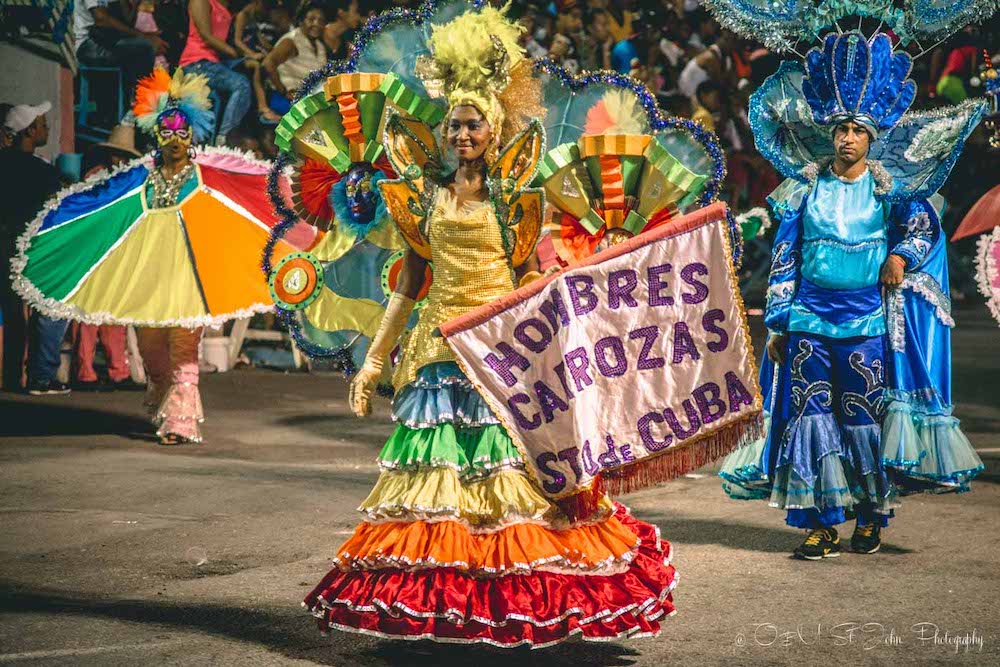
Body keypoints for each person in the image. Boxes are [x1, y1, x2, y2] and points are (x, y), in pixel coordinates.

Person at [299, 4, 676, 646]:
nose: (463, 134)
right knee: (438, 490)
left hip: (503, 354)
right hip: (438, 356)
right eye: (455, 125)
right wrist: (371, 361)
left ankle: (510, 603)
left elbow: (531, 280)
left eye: (473, 124)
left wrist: (561, 338)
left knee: (507, 485)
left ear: (494, 128)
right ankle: (445, 606)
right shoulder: (425, 197)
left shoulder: (515, 199)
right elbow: (409, 285)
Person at [715, 29, 986, 560]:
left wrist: (899, 256)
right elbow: (785, 255)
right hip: (810, 319)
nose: (846, 138)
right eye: (840, 128)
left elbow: (923, 226)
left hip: (866, 322)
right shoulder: (805, 186)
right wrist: (777, 322)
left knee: (862, 419)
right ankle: (819, 524)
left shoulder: (891, 188)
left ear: (871, 137)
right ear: (829, 133)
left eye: (856, 130)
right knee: (810, 419)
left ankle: (868, 517)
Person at [10, 68, 310, 442]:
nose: (173, 139)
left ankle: (180, 423)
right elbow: (103, 200)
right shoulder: (141, 175)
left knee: (183, 349)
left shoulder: (206, 173)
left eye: (181, 132)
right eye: (166, 132)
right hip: (148, 271)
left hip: (189, 273)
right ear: (156, 134)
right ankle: (165, 403)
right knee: (152, 348)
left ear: (191, 134)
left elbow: (245, 188)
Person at [0, 102, 69, 395]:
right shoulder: (41, 171)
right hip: (33, 251)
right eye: (41, 124)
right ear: (29, 131)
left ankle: (13, 378)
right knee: (49, 307)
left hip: (3, 246)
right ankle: (41, 376)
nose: (46, 128)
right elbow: (62, 201)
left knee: (14, 316)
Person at [71, 125, 142, 392]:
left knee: (115, 314)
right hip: (93, 251)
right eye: (117, 155)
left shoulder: (129, 180)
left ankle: (118, 371)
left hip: (116, 252)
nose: (120, 160)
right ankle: (85, 372)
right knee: (88, 316)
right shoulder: (96, 178)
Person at [178, 0, 251, 145]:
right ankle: (224, 139)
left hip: (215, 62)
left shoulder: (225, 6)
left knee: (252, 70)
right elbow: (206, 36)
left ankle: (247, 135)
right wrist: (234, 53)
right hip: (197, 62)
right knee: (241, 84)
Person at [74, 0, 163, 102]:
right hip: (88, 45)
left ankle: (136, 100)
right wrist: (144, 37)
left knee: (143, 46)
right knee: (145, 48)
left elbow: (127, 22)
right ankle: (140, 102)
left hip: (104, 40)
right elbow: (101, 19)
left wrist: (135, 4)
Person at [261, 2, 328, 117]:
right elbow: (267, 64)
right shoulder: (291, 41)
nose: (316, 24)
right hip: (286, 101)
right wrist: (283, 91)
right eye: (311, 19)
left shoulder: (320, 46)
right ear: (301, 20)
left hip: (310, 102)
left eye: (321, 21)